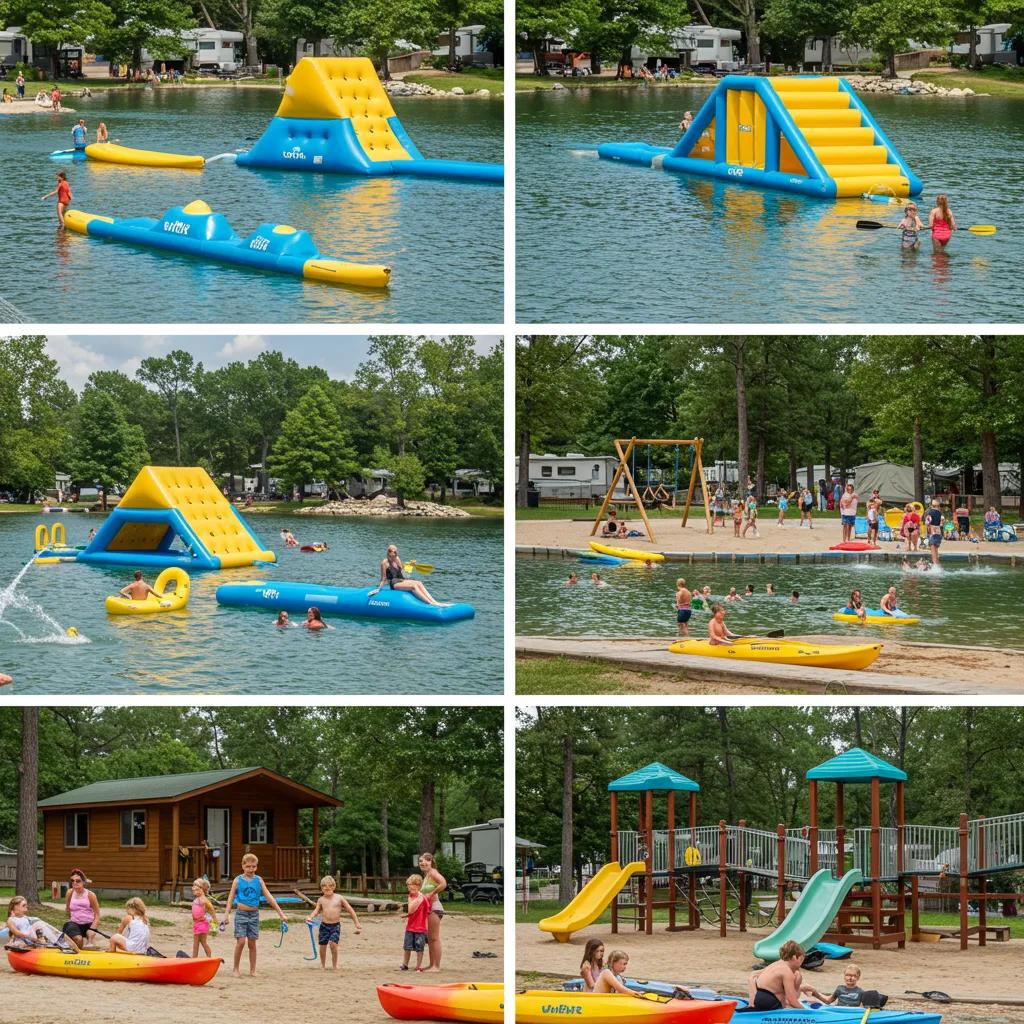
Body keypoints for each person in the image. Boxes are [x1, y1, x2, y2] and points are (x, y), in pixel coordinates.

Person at [223, 852, 288, 977]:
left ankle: (252, 970)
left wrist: (281, 914)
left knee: (252, 943)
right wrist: (226, 915)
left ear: (256, 867)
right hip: (241, 914)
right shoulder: (237, 880)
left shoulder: (259, 880)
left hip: (254, 915)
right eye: (248, 866)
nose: (251, 869)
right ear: (243, 866)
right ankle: (235, 968)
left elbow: (269, 897)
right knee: (241, 941)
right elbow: (230, 899)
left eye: (253, 866)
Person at [307, 874, 361, 970]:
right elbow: (316, 911)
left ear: (334, 887)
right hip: (324, 925)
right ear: (321, 888)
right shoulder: (321, 900)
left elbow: (350, 910)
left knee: (333, 944)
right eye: (324, 886)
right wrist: (311, 917)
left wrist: (356, 923)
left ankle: (334, 966)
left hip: (335, 926)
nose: (326, 888)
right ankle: (322, 965)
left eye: (329, 886)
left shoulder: (339, 898)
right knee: (322, 945)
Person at [371, 544, 447, 606]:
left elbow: (403, 571)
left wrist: (411, 565)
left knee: (419, 583)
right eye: (391, 555)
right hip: (394, 584)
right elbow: (383, 578)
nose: (393, 557)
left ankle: (434, 601)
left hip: (401, 580)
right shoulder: (384, 563)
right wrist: (378, 589)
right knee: (413, 586)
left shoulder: (397, 559)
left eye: (395, 554)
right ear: (388, 553)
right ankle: (429, 603)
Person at [747, 940, 808, 1009]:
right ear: (794, 957)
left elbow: (753, 975)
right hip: (767, 1002)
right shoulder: (787, 972)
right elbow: (792, 1000)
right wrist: (806, 1011)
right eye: (801, 959)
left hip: (759, 997)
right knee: (790, 1003)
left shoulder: (775, 964)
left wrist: (753, 997)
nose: (801, 964)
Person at [417, 852, 447, 972]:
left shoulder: (433, 872)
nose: (423, 863)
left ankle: (436, 966)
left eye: (426, 861)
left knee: (434, 938)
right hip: (427, 909)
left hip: (434, 908)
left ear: (431, 862)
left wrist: (432, 893)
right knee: (429, 939)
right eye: (421, 861)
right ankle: (431, 964)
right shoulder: (427, 875)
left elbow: (443, 883)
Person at [62, 869, 100, 948]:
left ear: (83, 882)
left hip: (88, 924)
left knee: (89, 943)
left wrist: (92, 929)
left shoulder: (91, 895)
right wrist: (74, 918)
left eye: (78, 881)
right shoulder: (70, 892)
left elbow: (97, 915)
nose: (74, 883)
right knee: (78, 939)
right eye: (72, 880)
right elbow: (67, 909)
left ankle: (88, 942)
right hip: (74, 923)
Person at [400, 873, 429, 972]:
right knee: (407, 947)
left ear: (418, 886)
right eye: (408, 887)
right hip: (410, 927)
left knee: (419, 948)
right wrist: (407, 915)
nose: (410, 889)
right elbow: (411, 910)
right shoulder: (410, 897)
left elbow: (427, 912)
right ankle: (405, 964)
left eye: (411, 887)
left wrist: (426, 928)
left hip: (420, 928)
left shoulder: (423, 899)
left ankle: (418, 966)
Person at [190, 878, 219, 958]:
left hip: (201, 924)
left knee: (196, 943)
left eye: (196, 885)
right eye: (193, 885)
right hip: (198, 923)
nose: (193, 887)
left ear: (202, 889)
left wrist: (215, 922)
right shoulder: (198, 899)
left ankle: (194, 959)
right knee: (203, 942)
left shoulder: (203, 900)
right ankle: (208, 957)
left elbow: (212, 910)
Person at [925, 499, 943, 566]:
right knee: (936, 549)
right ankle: (937, 563)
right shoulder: (939, 512)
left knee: (933, 548)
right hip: (938, 531)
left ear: (931, 505)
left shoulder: (930, 512)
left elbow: (928, 522)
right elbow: (941, 522)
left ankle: (935, 565)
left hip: (932, 531)